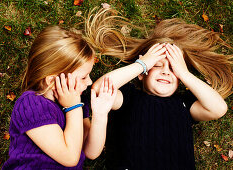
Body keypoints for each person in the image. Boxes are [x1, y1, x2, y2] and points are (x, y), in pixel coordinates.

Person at [87, 8, 233, 169]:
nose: (165, 71)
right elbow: (100, 89)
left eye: (173, 68)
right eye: (157, 65)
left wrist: (184, 73)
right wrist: (141, 64)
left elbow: (219, 108)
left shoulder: (185, 104)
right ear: (143, 74)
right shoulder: (129, 97)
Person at [2, 26, 117, 170]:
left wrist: (100, 116)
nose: (89, 82)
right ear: (52, 81)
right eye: (83, 77)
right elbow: (70, 157)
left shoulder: (78, 103)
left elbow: (90, 152)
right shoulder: (32, 104)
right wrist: (73, 107)